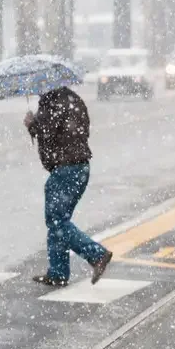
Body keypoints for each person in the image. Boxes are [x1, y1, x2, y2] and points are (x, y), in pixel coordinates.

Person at [24, 85, 111, 287]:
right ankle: (58, 273)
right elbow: (80, 131)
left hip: (66, 169)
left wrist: (31, 124)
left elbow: (47, 132)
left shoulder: (51, 102)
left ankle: (97, 254)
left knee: (57, 222)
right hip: (79, 167)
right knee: (59, 221)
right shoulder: (73, 99)